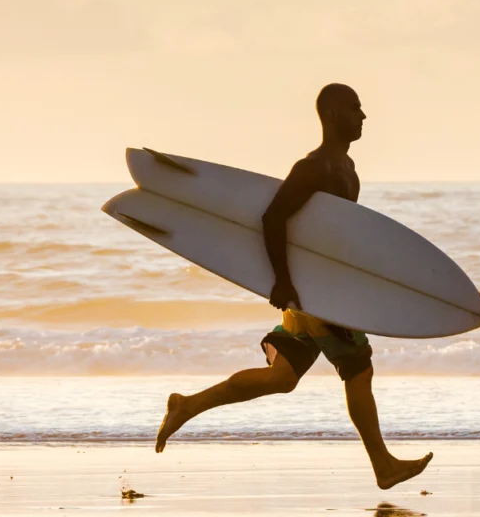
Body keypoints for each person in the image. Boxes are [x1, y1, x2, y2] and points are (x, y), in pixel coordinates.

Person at [154, 83, 433, 490]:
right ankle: (383, 467)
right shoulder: (314, 167)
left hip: (313, 291)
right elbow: (273, 218)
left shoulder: (346, 168)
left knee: (281, 378)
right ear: (334, 114)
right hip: (317, 294)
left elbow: (328, 234)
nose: (364, 116)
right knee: (358, 368)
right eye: (355, 108)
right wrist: (283, 281)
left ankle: (187, 404)